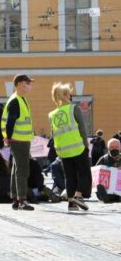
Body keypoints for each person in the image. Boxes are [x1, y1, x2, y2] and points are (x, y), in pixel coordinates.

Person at [48, 82, 91, 211]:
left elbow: (53, 134)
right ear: (65, 95)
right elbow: (82, 129)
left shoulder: (52, 114)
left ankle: (71, 202)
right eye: (69, 93)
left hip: (63, 151)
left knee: (69, 175)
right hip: (78, 147)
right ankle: (78, 196)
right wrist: (85, 145)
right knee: (84, 173)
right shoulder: (74, 108)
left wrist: (58, 151)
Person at [2, 74, 35, 211]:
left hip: (20, 140)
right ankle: (22, 200)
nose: (29, 85)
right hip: (19, 140)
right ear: (20, 83)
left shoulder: (21, 99)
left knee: (16, 169)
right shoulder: (16, 100)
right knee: (22, 170)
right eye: (27, 83)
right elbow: (10, 121)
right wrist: (9, 138)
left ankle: (15, 199)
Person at [95, 138, 121, 203]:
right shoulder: (103, 159)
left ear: (120, 147)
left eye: (116, 147)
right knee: (100, 188)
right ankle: (105, 198)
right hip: (107, 189)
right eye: (112, 147)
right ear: (108, 148)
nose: (114, 148)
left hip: (119, 188)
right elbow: (94, 174)